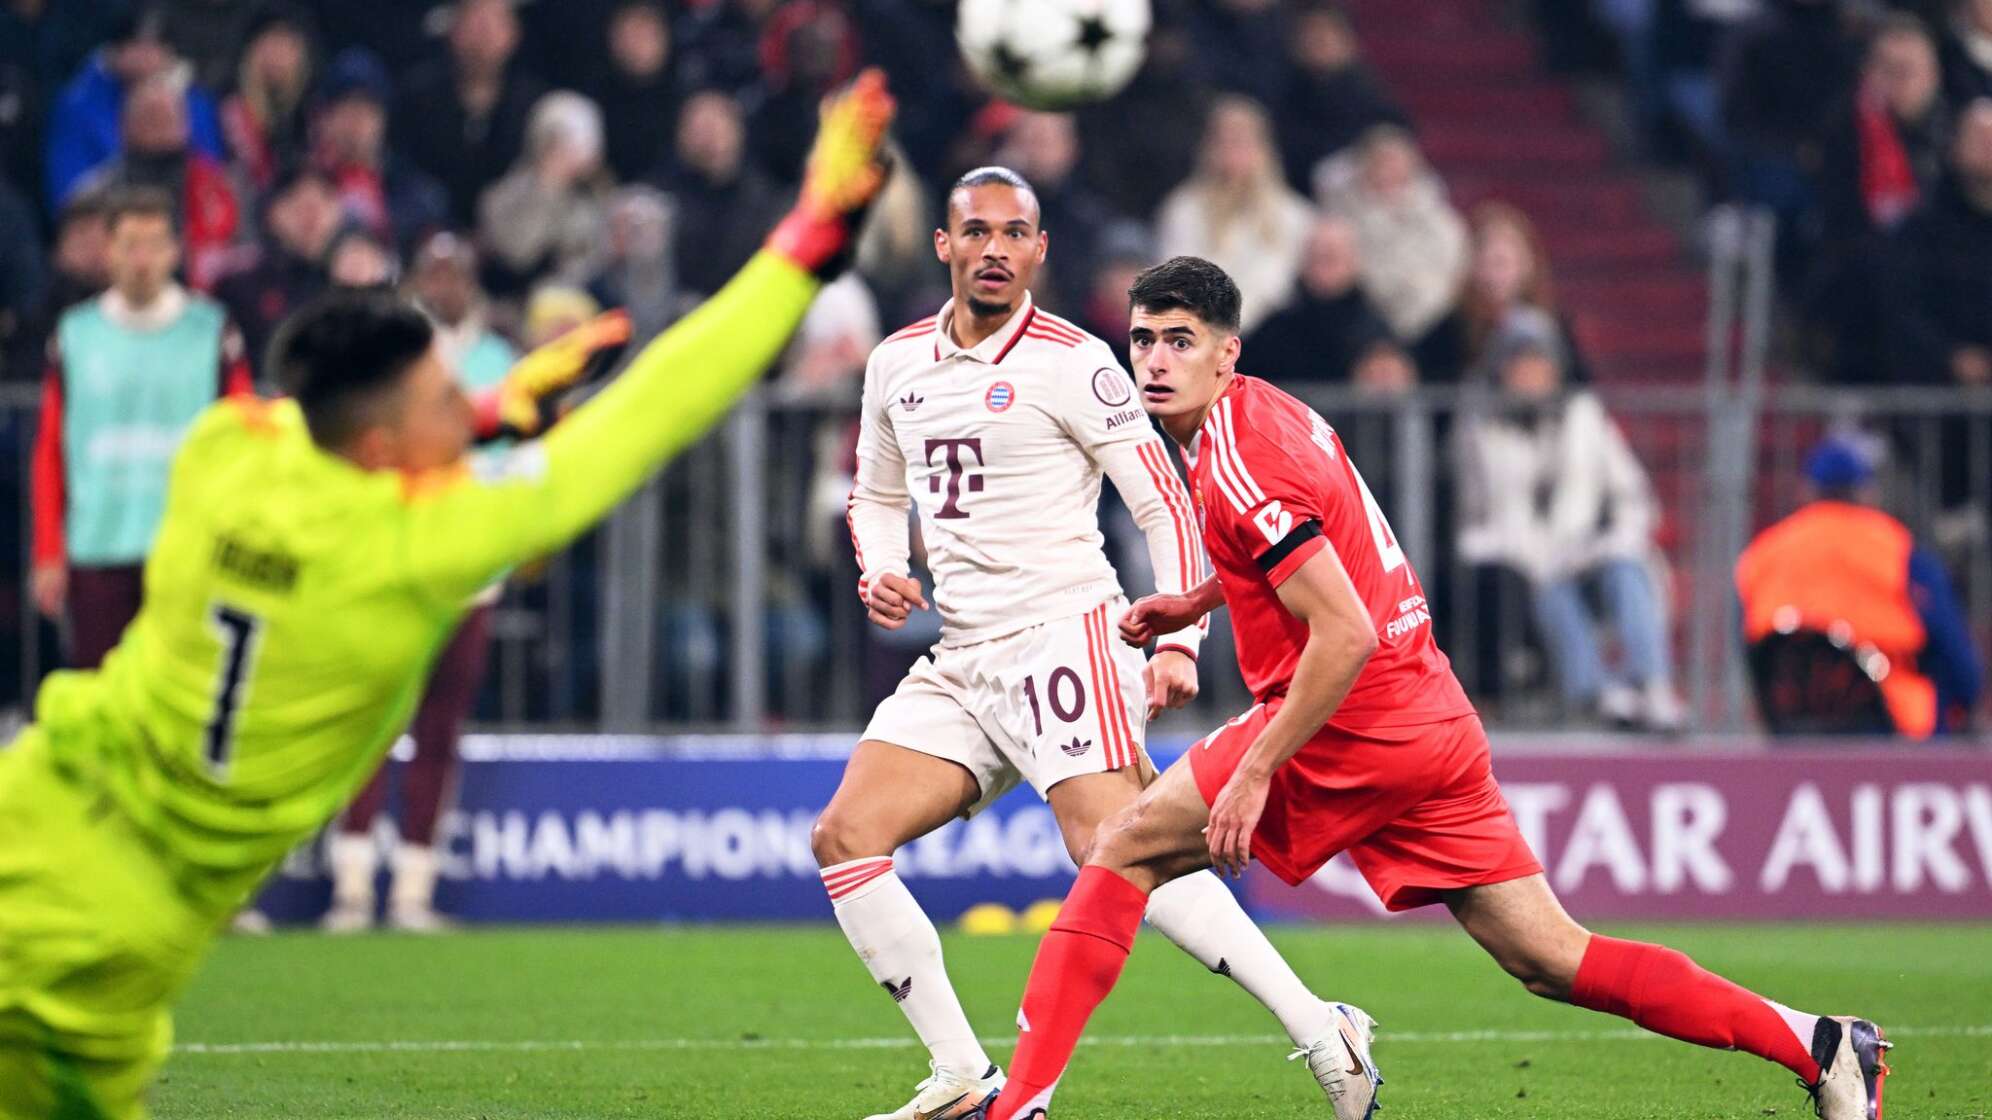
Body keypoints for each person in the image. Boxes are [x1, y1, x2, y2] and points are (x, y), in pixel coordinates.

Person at [0, 69, 895, 1120]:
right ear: (386, 446)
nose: (460, 401)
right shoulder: (417, 546)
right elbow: (650, 410)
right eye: (441, 396)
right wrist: (807, 244)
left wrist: (477, 416)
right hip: (111, 932)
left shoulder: (220, 451)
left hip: (34, 803)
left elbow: (316, 428)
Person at [979, 255, 1890, 1120]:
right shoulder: (1267, 416)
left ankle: (1018, 1103)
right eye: (1142, 340)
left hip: (1355, 718)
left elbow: (1343, 629)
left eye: (1180, 340)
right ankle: (1820, 1045)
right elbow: (1308, 550)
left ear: (1229, 352)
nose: (1156, 360)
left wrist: (1256, 768)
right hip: (1429, 715)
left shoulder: (1234, 458)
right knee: (1550, 956)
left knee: (1122, 847)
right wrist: (1198, 600)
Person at [825, 166, 1367, 1120]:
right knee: (845, 837)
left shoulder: (1078, 363)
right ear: (944, 245)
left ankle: (1325, 1033)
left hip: (1067, 634)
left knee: (1114, 847)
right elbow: (875, 493)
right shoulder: (894, 365)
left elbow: (1167, 504)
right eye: (976, 231)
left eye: (1015, 233)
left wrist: (1181, 641)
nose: (995, 248)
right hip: (963, 653)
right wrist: (877, 562)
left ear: (1040, 251)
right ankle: (963, 1074)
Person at [322, 234, 520, 933]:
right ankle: (350, 884)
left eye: (456, 272)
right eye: (432, 272)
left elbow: (520, 457)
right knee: (371, 723)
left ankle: (411, 888)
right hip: (401, 565)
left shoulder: (498, 358)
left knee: (439, 728)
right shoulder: (397, 354)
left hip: (470, 569)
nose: (445, 285)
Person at [30, 186, 254, 670]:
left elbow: (244, 442)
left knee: (182, 694)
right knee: (101, 694)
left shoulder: (212, 332)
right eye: (130, 243)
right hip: (99, 544)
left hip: (189, 550)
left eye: (154, 243)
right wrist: (48, 550)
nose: (142, 259)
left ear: (175, 250)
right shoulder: (75, 334)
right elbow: (51, 448)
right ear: (107, 249)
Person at [1452, 308, 1683, 730]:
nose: (1531, 375)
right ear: (1501, 370)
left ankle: (1653, 686)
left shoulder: (1586, 416)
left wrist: (1613, 538)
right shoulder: (1482, 428)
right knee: (1550, 589)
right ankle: (1596, 693)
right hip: (1528, 562)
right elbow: (1477, 514)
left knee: (1627, 568)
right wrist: (1529, 555)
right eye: (1521, 365)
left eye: (1541, 364)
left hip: (1591, 551)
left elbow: (1633, 494)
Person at [1736, 437, 1982, 737]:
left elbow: (1749, 647)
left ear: (1807, 491)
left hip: (1789, 721)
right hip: (1885, 720)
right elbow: (1958, 661)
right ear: (1867, 492)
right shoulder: (1898, 551)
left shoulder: (1762, 554)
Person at [1154, 95, 1312, 333]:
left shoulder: (1294, 214)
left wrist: (1234, 321)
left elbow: (1276, 283)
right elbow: (1178, 274)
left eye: (1242, 141)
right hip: (1198, 331)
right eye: (1223, 141)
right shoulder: (1183, 208)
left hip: (1272, 335)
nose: (1232, 151)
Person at [70, 74, 241, 289]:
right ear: (124, 126)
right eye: (149, 116)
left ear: (186, 124)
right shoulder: (94, 194)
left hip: (207, 303)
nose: (159, 125)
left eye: (167, 116)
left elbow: (245, 254)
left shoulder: (221, 186)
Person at [44, 8, 226, 210]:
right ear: (114, 52)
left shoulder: (194, 102)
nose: (146, 58)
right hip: (112, 216)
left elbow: (212, 172)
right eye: (136, 46)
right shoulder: (78, 105)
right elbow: (69, 198)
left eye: (155, 47)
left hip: (188, 222)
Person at [1317, 126, 1468, 360]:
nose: (1388, 171)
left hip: (1429, 331)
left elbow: (1451, 277)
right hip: (1356, 331)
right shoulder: (1338, 219)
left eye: (1395, 162)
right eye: (1380, 162)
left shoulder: (1441, 225)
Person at [392, 0, 546, 227]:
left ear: (514, 34)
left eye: (494, 22)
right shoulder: (417, 96)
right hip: (428, 231)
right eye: (474, 19)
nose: (483, 34)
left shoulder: (534, 104)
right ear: (453, 30)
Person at [1243, 213, 1412, 391]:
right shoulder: (1274, 329)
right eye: (1316, 256)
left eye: (1331, 257)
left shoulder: (1377, 334)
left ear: (1354, 261)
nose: (1323, 267)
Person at [477, 90, 612, 294]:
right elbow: (518, 255)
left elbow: (596, 262)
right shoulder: (504, 197)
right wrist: (550, 184)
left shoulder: (600, 195)